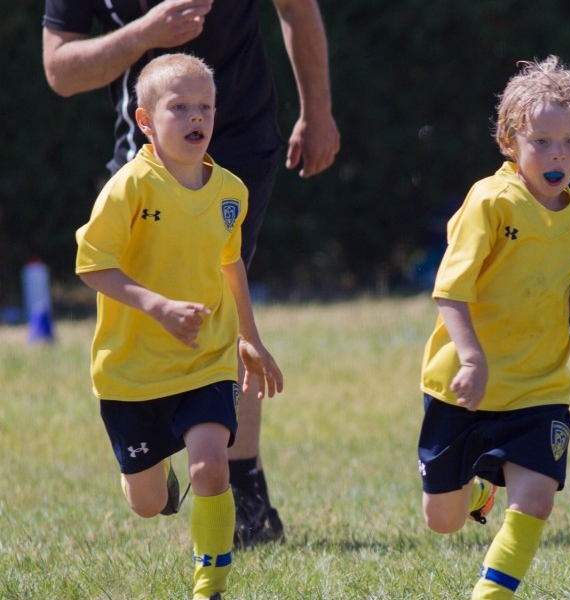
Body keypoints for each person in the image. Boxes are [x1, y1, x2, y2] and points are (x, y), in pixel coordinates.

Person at [42, 0, 339, 547]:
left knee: (219, 290)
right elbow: (59, 69)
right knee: (156, 299)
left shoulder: (229, 178)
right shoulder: (132, 178)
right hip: (145, 157)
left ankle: (239, 486)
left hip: (244, 139)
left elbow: (297, 8)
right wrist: (144, 33)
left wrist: (316, 109)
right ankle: (153, 451)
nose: (196, 114)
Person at [418, 56, 570, 600]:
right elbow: (450, 291)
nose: (558, 155)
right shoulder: (491, 202)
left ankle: (492, 593)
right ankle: (480, 484)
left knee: (537, 500)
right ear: (510, 141)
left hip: (540, 389)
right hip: (462, 386)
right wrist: (473, 359)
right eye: (542, 142)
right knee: (443, 519)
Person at [75, 53, 284, 600]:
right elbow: (92, 264)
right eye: (180, 107)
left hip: (204, 360)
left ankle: (209, 584)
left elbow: (230, 263)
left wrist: (249, 339)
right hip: (131, 371)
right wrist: (159, 307)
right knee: (147, 504)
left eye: (206, 107)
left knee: (212, 467)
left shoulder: (230, 193)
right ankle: (153, 481)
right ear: (145, 121)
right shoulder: (130, 188)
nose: (197, 117)